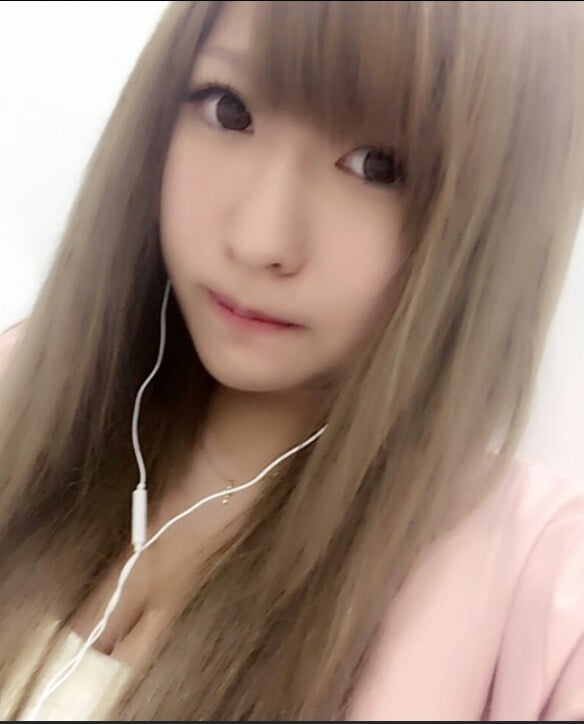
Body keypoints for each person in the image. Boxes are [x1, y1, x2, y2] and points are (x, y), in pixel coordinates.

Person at [0, 0, 583, 719]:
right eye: (228, 110)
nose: (258, 239)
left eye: (377, 166)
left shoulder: (545, 592)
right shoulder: (22, 391)